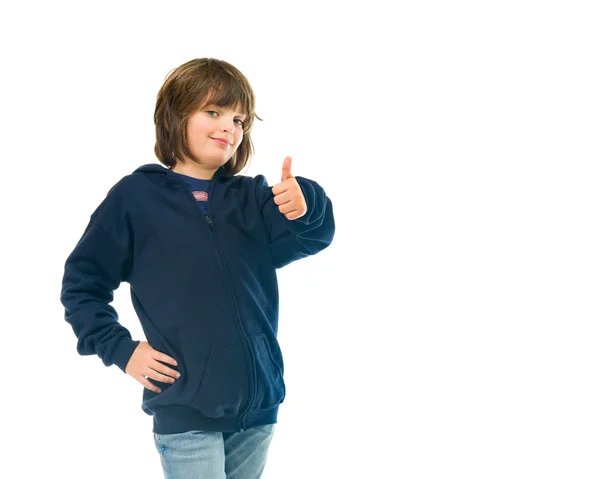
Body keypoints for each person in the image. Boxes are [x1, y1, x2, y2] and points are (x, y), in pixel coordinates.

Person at [60, 57, 335, 478]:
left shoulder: (253, 199)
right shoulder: (135, 199)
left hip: (259, 410)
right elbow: (82, 285)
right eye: (213, 112)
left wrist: (306, 202)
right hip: (186, 412)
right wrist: (122, 349)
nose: (229, 127)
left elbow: (313, 236)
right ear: (175, 117)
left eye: (239, 120)